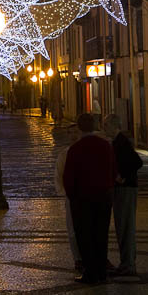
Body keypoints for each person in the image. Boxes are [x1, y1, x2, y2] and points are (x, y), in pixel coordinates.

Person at [63, 113, 116, 284]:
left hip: (82, 199)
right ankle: (101, 272)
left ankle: (90, 273)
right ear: (95, 126)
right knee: (101, 235)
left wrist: (72, 196)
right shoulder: (105, 146)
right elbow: (113, 169)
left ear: (79, 127)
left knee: (84, 236)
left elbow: (68, 177)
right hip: (103, 197)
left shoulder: (75, 149)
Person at [104, 114, 142, 276]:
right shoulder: (118, 141)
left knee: (125, 226)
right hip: (123, 189)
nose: (104, 128)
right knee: (123, 226)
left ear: (114, 126)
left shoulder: (122, 142)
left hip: (126, 189)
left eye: (106, 125)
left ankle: (128, 264)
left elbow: (137, 162)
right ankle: (126, 263)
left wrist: (122, 176)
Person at [55, 124, 83, 273]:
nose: (72, 135)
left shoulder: (85, 152)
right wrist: (64, 193)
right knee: (72, 229)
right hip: (71, 196)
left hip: (86, 195)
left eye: (75, 132)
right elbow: (59, 175)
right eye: (70, 132)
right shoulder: (64, 154)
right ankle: (78, 258)